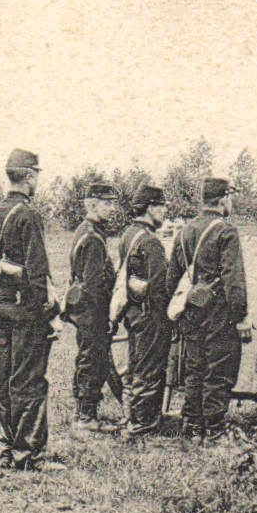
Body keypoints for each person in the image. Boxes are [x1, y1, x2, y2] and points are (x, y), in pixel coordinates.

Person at [0, 149, 54, 471]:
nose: (37, 180)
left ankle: (6, 450)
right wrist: (46, 314)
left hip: (1, 307)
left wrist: (4, 280)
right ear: (28, 176)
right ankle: (28, 455)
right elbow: (38, 275)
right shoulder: (28, 215)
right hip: (26, 313)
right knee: (29, 382)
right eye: (36, 174)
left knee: (5, 381)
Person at [166, 177, 250, 440]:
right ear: (223, 199)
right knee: (219, 369)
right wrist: (240, 316)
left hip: (191, 310)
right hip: (218, 312)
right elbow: (233, 278)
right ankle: (214, 429)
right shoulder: (226, 231)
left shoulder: (184, 232)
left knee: (194, 368)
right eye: (230, 198)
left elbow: (172, 277)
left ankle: (191, 425)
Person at [120, 185, 171, 440]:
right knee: (149, 370)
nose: (164, 211)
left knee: (135, 366)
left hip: (133, 312)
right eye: (161, 206)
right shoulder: (151, 242)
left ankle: (132, 417)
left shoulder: (129, 235)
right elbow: (160, 287)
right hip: (151, 314)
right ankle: (142, 426)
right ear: (150, 208)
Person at [67, 183, 119, 430]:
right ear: (92, 205)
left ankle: (83, 413)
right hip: (92, 310)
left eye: (112, 203)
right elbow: (94, 283)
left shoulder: (88, 231)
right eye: (107, 203)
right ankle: (86, 417)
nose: (112, 208)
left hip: (85, 309)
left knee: (88, 358)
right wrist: (106, 316)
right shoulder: (92, 237)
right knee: (93, 360)